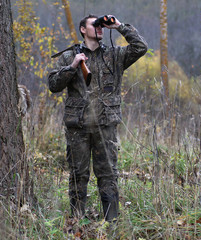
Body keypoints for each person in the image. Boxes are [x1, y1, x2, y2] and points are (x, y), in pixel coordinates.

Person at [48, 14, 148, 222]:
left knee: (108, 175)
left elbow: (140, 47)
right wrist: (74, 65)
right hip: (79, 126)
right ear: (83, 30)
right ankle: (77, 223)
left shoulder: (115, 55)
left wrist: (119, 26)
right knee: (78, 176)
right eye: (95, 25)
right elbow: (53, 85)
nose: (100, 28)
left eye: (101, 25)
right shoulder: (70, 57)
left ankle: (111, 224)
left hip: (105, 125)